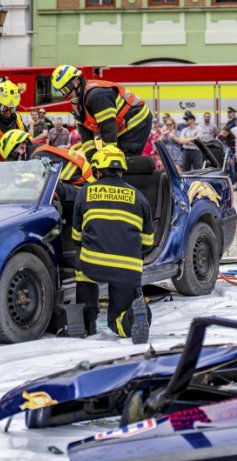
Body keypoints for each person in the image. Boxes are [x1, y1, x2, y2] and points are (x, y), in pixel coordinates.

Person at [72, 145, 154, 344]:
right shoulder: (139, 197)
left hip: (93, 265)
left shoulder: (85, 192)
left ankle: (87, 321)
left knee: (82, 268)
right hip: (128, 269)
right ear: (121, 170)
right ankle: (132, 316)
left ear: (98, 170)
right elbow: (148, 242)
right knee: (116, 319)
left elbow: (76, 236)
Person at [51, 65, 152, 160]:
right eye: (62, 91)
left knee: (123, 161)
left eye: (66, 89)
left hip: (136, 122)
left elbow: (108, 127)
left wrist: (108, 157)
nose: (65, 95)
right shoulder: (78, 103)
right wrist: (91, 156)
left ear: (76, 81)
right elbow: (84, 133)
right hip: (119, 126)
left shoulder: (97, 95)